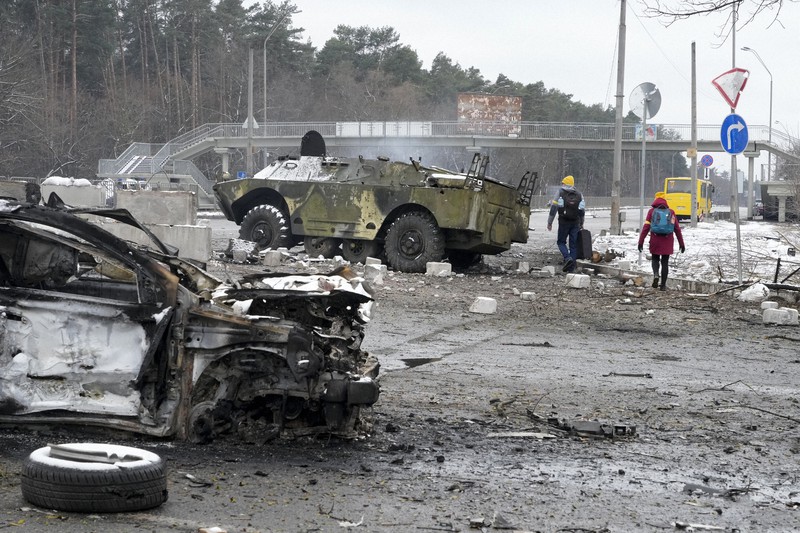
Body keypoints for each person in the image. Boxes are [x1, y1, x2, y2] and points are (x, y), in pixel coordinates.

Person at [638, 192, 686, 291]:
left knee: (655, 259)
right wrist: (681, 243)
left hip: (655, 239)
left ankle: (656, 274)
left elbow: (646, 228)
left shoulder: (651, 212)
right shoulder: (671, 212)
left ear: (655, 200)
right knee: (665, 262)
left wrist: (641, 241)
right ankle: (663, 285)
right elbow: (677, 229)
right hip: (667, 240)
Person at [547, 175, 585, 272]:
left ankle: (567, 258)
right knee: (573, 245)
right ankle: (571, 269)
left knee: (561, 242)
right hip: (575, 222)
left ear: (565, 183)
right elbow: (582, 210)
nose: (562, 184)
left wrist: (549, 222)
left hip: (563, 221)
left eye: (563, 182)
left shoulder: (560, 192)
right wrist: (581, 223)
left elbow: (554, 208)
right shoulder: (579, 194)